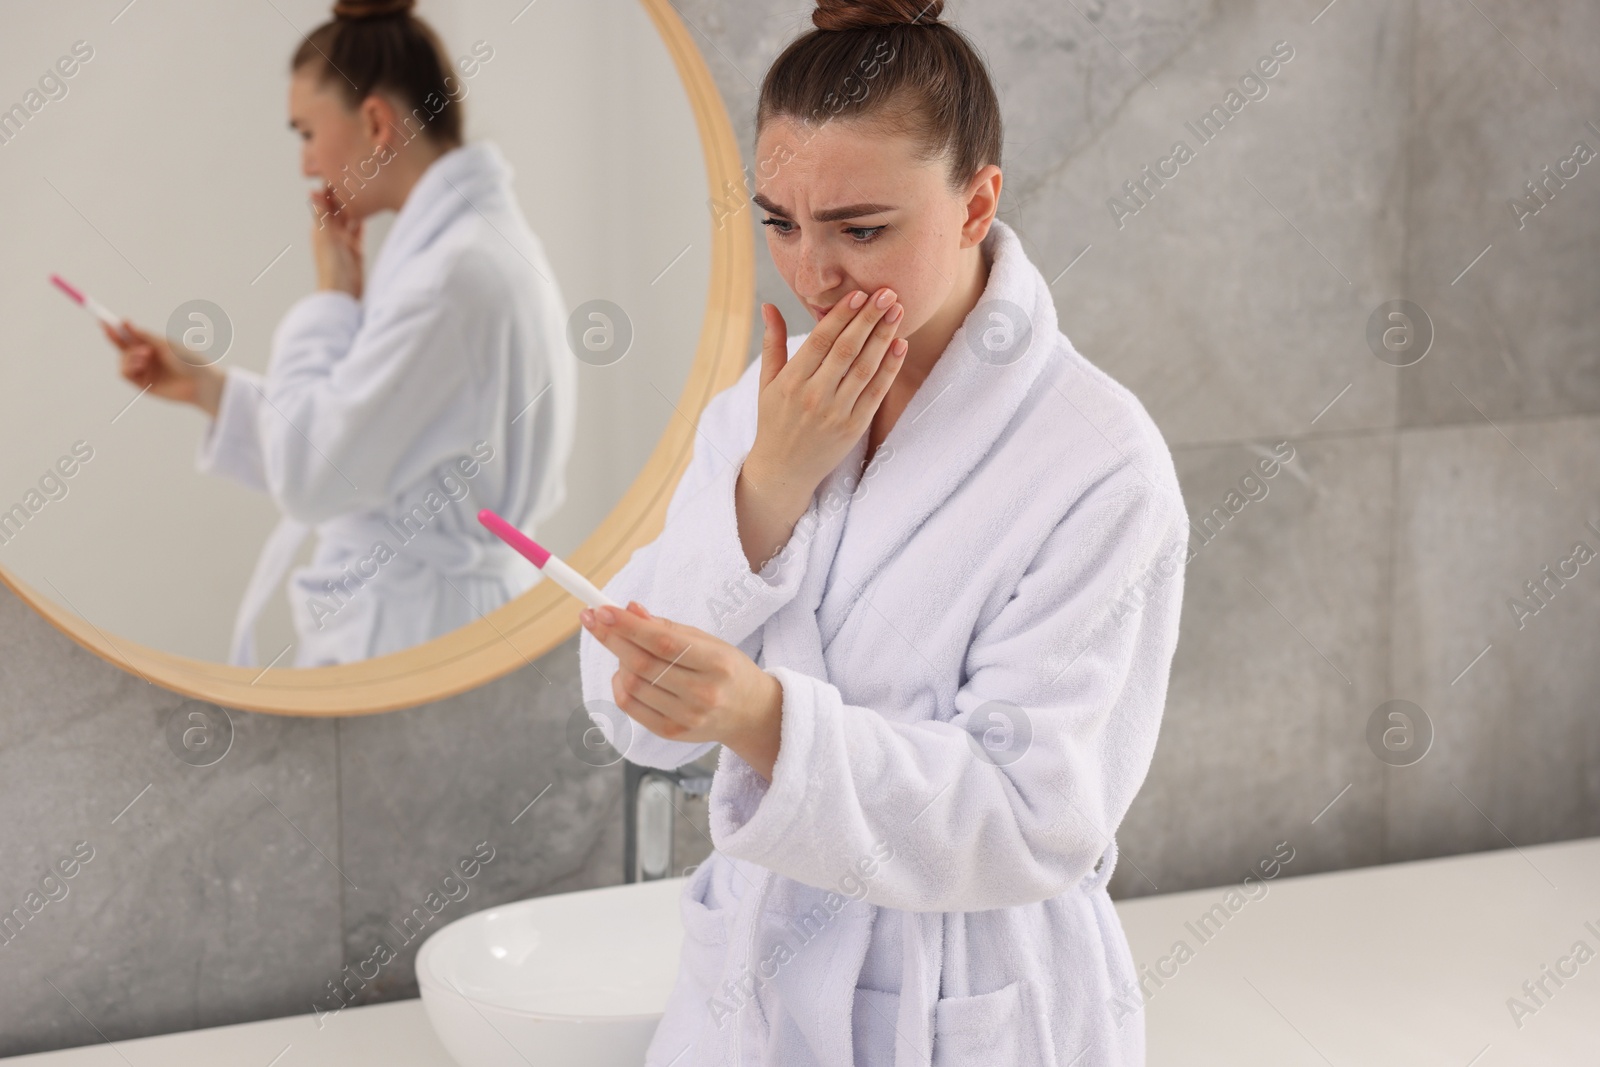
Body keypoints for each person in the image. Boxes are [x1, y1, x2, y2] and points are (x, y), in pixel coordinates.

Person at [579, 0, 1188, 1063]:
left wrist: (770, 721)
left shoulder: (1096, 461)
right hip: (750, 984)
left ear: (974, 201)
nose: (813, 272)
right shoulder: (760, 411)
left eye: (861, 229)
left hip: (966, 1000)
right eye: (778, 220)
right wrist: (767, 486)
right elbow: (633, 715)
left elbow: (1034, 811)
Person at [100, 0, 575, 667]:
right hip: (438, 615)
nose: (306, 164)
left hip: (418, 631)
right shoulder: (467, 250)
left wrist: (332, 300)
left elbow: (312, 470)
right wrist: (213, 391)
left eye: (305, 132)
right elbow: (375, 446)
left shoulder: (450, 277)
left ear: (376, 122)